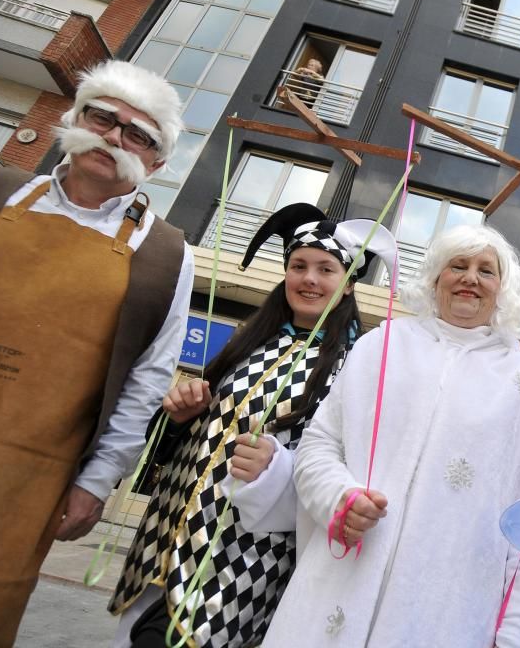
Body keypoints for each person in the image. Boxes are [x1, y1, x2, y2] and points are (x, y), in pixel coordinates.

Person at [108, 205, 396, 647]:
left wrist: (277, 467)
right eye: (298, 266)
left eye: (326, 269)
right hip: (166, 543)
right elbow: (182, 447)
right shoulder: (250, 342)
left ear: (350, 283)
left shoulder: (357, 368)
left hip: (240, 564)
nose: (309, 279)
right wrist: (179, 419)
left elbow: (346, 470)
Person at [261, 224, 520, 647]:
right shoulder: (382, 344)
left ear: (503, 289)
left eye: (486, 271)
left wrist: (515, 633)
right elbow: (319, 446)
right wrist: (339, 499)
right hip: (338, 588)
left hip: (446, 610)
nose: (470, 278)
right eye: (458, 265)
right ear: (436, 278)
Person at [0, 59, 192, 644]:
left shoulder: (165, 254)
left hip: (25, 477)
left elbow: (147, 379)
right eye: (104, 116)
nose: (114, 136)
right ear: (73, 118)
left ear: (157, 162)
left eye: (138, 134)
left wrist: (98, 481)